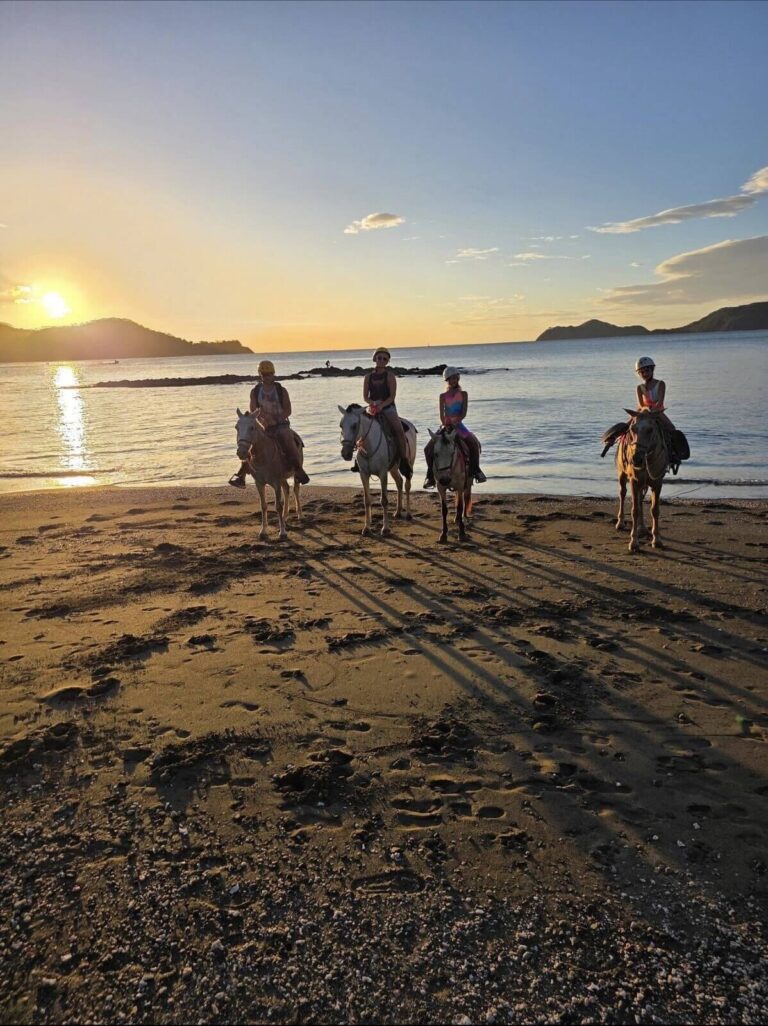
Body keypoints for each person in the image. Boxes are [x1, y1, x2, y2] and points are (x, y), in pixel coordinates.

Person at [228, 360, 310, 486]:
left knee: (288, 440)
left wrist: (277, 418)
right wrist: (263, 419)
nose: (267, 377)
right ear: (260, 375)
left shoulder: (281, 390)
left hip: (281, 425)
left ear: (273, 374)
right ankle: (242, 475)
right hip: (264, 426)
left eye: (269, 374)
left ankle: (298, 470)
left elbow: (288, 409)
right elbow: (253, 410)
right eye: (264, 374)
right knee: (249, 443)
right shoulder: (255, 391)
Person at [423, 367, 486, 488]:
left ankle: (476, 471)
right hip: (445, 425)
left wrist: (456, 422)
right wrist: (445, 425)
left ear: (458, 378)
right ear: (447, 380)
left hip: (459, 425)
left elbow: (463, 413)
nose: (453, 380)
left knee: (473, 444)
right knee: (428, 449)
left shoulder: (463, 394)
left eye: (455, 378)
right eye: (451, 378)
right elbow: (442, 415)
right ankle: (430, 476)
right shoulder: (443, 396)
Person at [362, 347, 412, 478]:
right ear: (375, 359)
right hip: (373, 406)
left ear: (388, 361)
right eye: (379, 358)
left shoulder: (390, 376)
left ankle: (404, 460)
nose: (382, 360)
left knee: (399, 430)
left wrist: (381, 406)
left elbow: (392, 396)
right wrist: (372, 403)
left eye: (385, 359)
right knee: (361, 427)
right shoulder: (368, 377)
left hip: (388, 407)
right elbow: (365, 397)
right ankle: (360, 460)